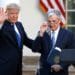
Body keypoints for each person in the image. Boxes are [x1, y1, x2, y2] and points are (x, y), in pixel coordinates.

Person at [32, 9, 75, 75]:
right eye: (49, 21)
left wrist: (61, 66)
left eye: (54, 21)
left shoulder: (68, 34)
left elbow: (71, 54)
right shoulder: (43, 32)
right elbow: (34, 49)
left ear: (59, 21)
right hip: (44, 71)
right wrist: (40, 33)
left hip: (60, 72)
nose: (51, 24)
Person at [0, 3, 33, 75]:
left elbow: (26, 40)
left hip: (18, 66)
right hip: (4, 67)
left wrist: (41, 40)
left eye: (16, 13)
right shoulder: (2, 25)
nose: (15, 16)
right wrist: (0, 23)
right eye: (12, 13)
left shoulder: (19, 25)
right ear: (6, 13)